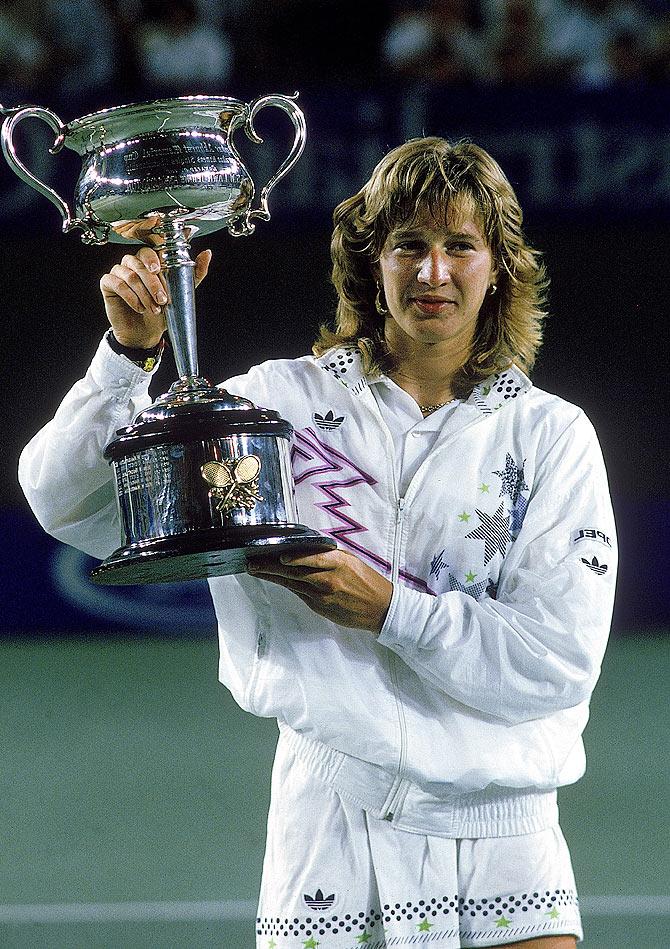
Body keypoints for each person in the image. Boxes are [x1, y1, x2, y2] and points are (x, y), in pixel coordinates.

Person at [19, 137, 617, 948]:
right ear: (372, 261)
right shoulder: (276, 409)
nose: (433, 273)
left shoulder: (552, 437)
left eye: (459, 246)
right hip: (331, 825)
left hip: (504, 835)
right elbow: (67, 500)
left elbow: (556, 659)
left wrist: (389, 609)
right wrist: (128, 357)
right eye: (409, 245)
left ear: (499, 267)